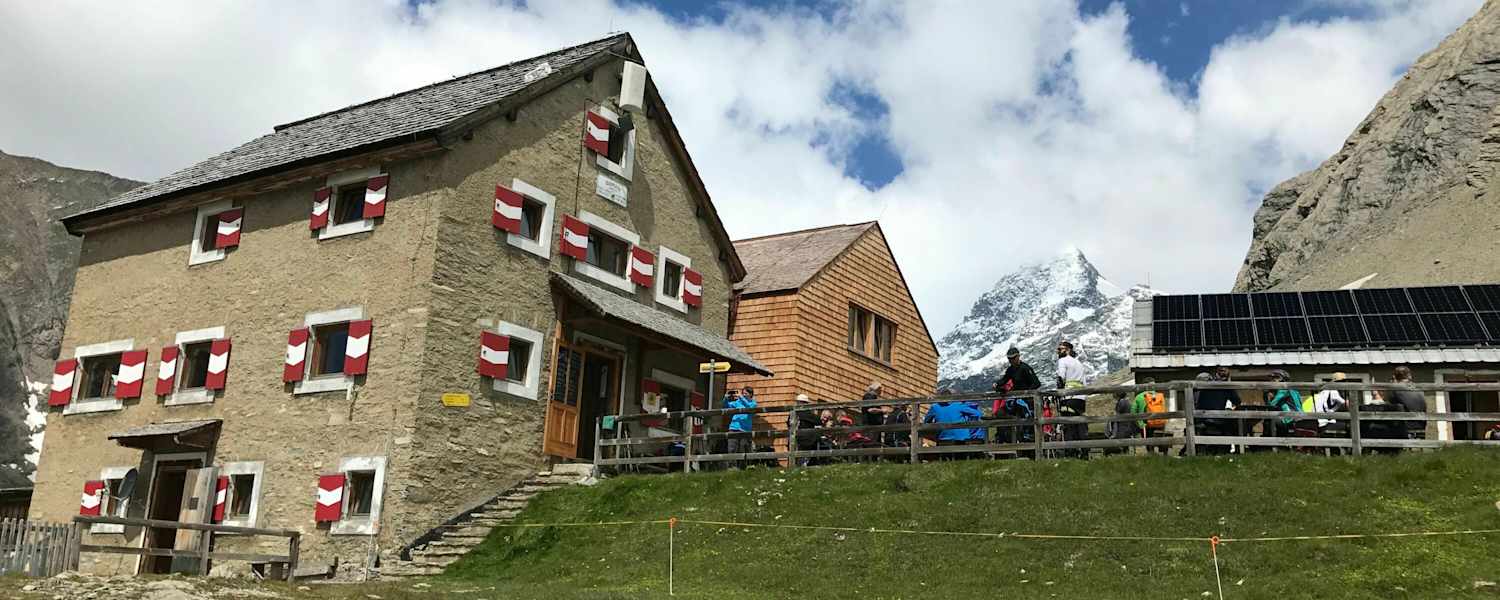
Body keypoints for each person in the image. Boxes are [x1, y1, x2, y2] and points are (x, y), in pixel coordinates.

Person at [992, 347, 1041, 443]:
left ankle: (1027, 437)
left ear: (1018, 356)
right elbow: (1004, 379)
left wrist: (1027, 392)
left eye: (1013, 358)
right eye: (1009, 359)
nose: (1011, 360)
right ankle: (1005, 438)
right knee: (1000, 413)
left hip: (1026, 399)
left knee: (1026, 418)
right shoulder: (1010, 370)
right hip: (1015, 398)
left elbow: (1036, 383)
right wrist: (997, 384)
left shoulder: (1025, 368)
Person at [1055, 341, 1089, 458]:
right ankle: (1085, 452)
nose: (1058, 352)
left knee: (1068, 426)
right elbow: (1084, 383)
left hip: (1069, 396)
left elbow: (1061, 378)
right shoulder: (1079, 363)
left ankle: (1071, 453)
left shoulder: (1062, 361)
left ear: (1068, 350)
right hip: (1081, 398)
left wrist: (1059, 393)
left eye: (1060, 349)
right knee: (1080, 425)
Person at [923, 393, 982, 459]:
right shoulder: (958, 405)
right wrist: (969, 425)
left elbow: (926, 421)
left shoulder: (934, 407)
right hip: (961, 438)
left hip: (943, 439)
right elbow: (977, 414)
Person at [1383, 366, 1427, 441]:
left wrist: (1393, 384)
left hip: (1407, 425)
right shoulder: (1416, 387)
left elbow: (1387, 402)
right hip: (1421, 424)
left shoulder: (1396, 387)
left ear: (1395, 376)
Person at [1132, 378, 1168, 454]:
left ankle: (1151, 456)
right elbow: (1164, 409)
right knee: (1160, 440)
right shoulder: (1159, 396)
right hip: (1160, 422)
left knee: (1149, 442)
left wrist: (1139, 423)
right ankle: (1164, 457)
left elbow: (1133, 411)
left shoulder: (1139, 397)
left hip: (1145, 424)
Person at [1263, 370, 1303, 439]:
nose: (1272, 381)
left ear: (1282, 380)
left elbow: (1272, 405)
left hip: (1291, 418)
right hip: (1299, 417)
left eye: (1275, 378)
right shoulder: (1294, 390)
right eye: (1272, 379)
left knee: (1269, 420)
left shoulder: (1283, 391)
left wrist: (1267, 397)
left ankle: (1272, 443)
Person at [726, 387, 757, 466]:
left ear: (751, 395)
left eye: (746, 393)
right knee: (731, 448)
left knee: (743, 449)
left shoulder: (753, 403)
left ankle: (743, 467)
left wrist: (741, 398)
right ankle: (732, 467)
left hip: (745, 430)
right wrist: (726, 398)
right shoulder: (738, 402)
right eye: (743, 393)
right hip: (734, 428)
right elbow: (727, 406)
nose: (744, 395)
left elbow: (750, 408)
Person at [789, 394, 821, 464]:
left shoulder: (793, 413)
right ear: (806, 403)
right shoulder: (808, 414)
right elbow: (819, 421)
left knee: (795, 457)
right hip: (807, 440)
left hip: (795, 439)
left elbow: (788, 424)